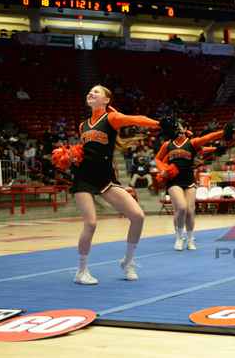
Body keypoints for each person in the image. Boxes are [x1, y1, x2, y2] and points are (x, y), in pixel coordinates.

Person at [70, 85, 160, 285]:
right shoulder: (82, 126)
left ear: (106, 100)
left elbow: (136, 119)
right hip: (83, 177)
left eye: (96, 92)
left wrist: (159, 124)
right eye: (90, 91)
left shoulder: (111, 118)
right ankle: (81, 271)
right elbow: (85, 151)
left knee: (137, 216)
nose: (91, 93)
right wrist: (72, 156)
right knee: (91, 223)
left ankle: (127, 262)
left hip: (105, 179)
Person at [155, 122, 224, 251]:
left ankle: (190, 238)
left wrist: (223, 133)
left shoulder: (192, 142)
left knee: (190, 211)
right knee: (181, 208)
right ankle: (179, 237)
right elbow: (157, 159)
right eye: (175, 127)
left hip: (189, 180)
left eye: (180, 127)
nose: (177, 129)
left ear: (185, 129)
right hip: (173, 180)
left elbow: (207, 139)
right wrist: (162, 169)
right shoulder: (167, 144)